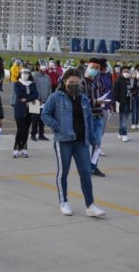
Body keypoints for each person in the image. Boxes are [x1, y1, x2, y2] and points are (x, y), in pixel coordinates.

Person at [42, 68, 106, 218]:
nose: (74, 86)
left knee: (86, 173)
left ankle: (90, 205)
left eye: (77, 83)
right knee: (63, 173)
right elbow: (45, 114)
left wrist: (93, 139)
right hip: (64, 140)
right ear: (64, 82)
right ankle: (63, 202)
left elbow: (89, 119)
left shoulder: (83, 98)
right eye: (71, 83)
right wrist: (57, 126)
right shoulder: (56, 97)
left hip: (81, 141)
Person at [84, 58, 107, 177]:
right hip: (89, 116)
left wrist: (103, 101)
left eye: (97, 68)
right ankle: (85, 166)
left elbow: (102, 94)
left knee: (97, 143)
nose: (94, 70)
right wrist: (95, 101)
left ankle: (94, 166)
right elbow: (82, 100)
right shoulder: (83, 81)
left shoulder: (98, 81)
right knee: (87, 143)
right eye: (93, 67)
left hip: (99, 114)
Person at [13, 68, 39, 158]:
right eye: (23, 73)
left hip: (30, 109)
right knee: (20, 129)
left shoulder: (32, 84)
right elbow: (19, 94)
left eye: (27, 73)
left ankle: (24, 148)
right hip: (20, 109)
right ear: (20, 74)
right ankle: (16, 148)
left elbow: (36, 94)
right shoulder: (17, 84)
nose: (25, 75)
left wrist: (27, 99)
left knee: (26, 129)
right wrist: (31, 97)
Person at [30, 63, 51, 141]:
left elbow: (50, 88)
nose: (43, 67)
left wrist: (49, 98)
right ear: (38, 67)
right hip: (35, 100)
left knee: (42, 119)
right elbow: (32, 87)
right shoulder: (34, 76)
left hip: (45, 101)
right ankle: (33, 134)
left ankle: (41, 134)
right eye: (41, 65)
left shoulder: (47, 77)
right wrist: (37, 98)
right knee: (35, 118)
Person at [112, 67, 131, 142]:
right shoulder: (118, 81)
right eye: (124, 71)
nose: (126, 73)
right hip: (122, 102)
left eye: (127, 71)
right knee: (123, 119)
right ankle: (124, 134)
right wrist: (116, 102)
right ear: (121, 72)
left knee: (125, 119)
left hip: (129, 102)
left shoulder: (130, 80)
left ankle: (120, 133)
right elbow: (114, 92)